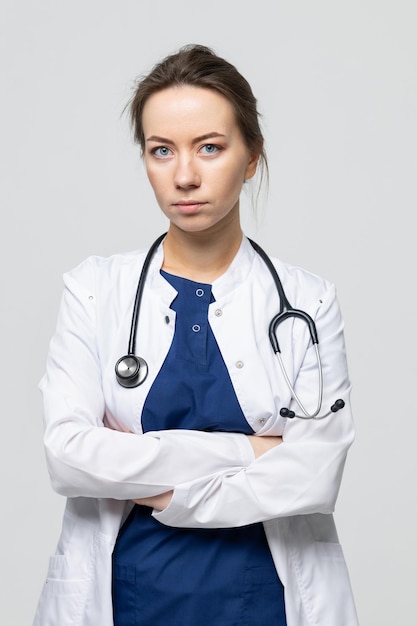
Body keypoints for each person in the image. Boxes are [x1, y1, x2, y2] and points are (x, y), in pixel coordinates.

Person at [33, 44, 358, 626]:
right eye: (162, 151)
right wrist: (249, 452)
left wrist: (166, 489)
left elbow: (315, 473)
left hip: (269, 601)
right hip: (128, 596)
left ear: (252, 156)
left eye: (210, 147)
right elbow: (69, 456)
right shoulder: (94, 290)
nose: (184, 175)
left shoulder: (306, 302)